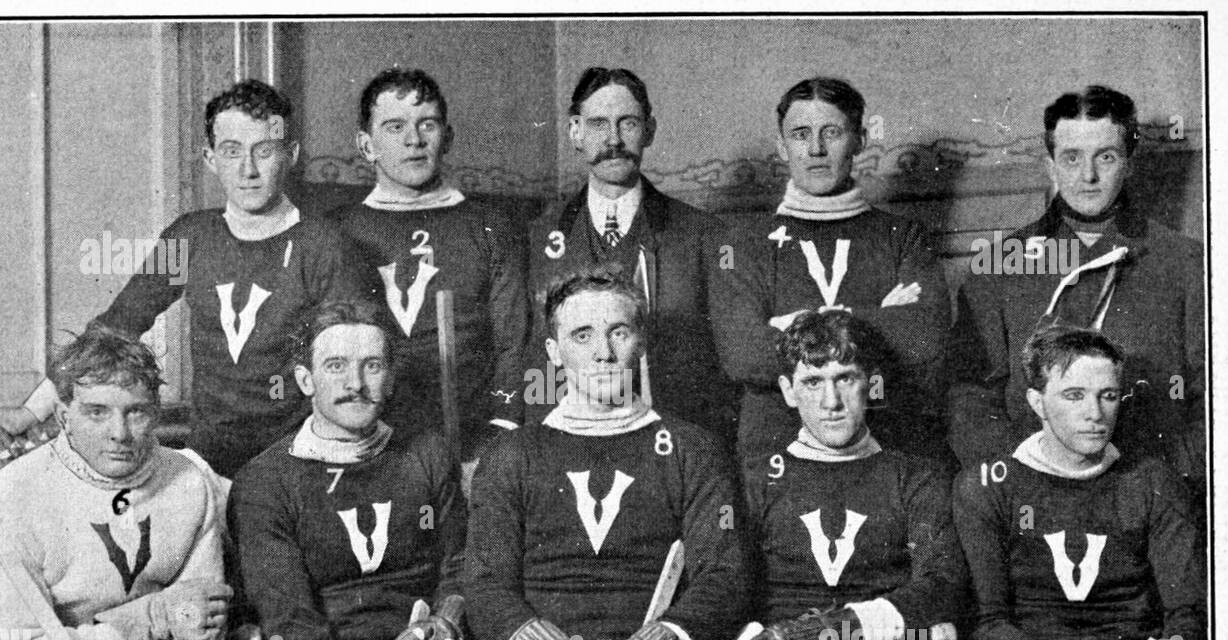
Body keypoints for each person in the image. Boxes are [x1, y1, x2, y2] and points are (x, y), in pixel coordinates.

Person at [0, 79, 369, 508]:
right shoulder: (190, 237)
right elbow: (116, 326)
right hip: (208, 464)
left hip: (300, 463)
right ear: (210, 158)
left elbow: (353, 361)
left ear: (289, 155)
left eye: (264, 151)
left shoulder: (324, 243)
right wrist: (31, 413)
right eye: (232, 151)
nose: (248, 169)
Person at [448, 266, 747, 640]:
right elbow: (486, 586)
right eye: (583, 335)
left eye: (619, 332)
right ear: (554, 351)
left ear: (641, 342)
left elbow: (725, 576)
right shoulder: (511, 454)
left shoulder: (693, 448)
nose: (604, 353)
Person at [0, 325, 259, 640]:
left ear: (155, 413)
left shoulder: (188, 479)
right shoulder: (15, 491)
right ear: (64, 417)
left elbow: (203, 626)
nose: (120, 432)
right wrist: (146, 620)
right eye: (97, 412)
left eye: (136, 411)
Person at [732, 309, 1012, 640]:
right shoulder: (756, 478)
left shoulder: (917, 476)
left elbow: (942, 585)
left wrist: (832, 632)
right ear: (788, 391)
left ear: (871, 384)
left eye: (845, 378)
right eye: (812, 382)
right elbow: (720, 590)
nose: (831, 402)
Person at [228, 299, 469, 640]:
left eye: (372, 366)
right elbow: (288, 622)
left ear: (391, 377)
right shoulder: (266, 481)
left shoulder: (427, 454)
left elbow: (458, 563)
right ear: (306, 379)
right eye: (336, 366)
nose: (355, 383)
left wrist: (446, 620)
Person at [949, 85, 1204, 498]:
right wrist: (1019, 476)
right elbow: (969, 396)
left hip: (1146, 496)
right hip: (1031, 491)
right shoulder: (999, 264)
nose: (1088, 176)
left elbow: (1211, 397)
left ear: (1129, 164)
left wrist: (1163, 480)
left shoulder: (1185, 263)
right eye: (1071, 158)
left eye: (1105, 157)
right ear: (1050, 166)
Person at [955, 325, 1208, 640]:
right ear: (1037, 402)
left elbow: (1188, 610)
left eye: (1107, 396)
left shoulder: (1152, 481)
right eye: (1074, 396)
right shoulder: (988, 486)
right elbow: (987, 622)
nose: (1095, 413)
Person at [711, 77, 951, 478]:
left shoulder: (902, 236)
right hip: (775, 456)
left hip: (888, 445)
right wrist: (876, 315)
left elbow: (926, 335)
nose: (816, 149)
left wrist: (793, 323)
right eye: (801, 134)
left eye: (832, 132)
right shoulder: (745, 245)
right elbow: (743, 355)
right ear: (781, 145)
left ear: (859, 138)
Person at [333, 68, 529, 476]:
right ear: (366, 145)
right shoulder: (336, 230)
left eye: (428, 125)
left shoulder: (491, 225)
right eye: (394, 126)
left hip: (474, 450)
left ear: (448, 137)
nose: (414, 140)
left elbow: (515, 341)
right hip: (368, 449)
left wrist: (500, 433)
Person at [526, 67, 735, 443]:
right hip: (572, 438)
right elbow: (534, 357)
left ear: (649, 131)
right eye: (598, 124)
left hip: (671, 436)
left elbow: (721, 363)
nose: (613, 140)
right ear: (575, 132)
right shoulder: (540, 237)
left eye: (628, 124)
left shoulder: (703, 233)